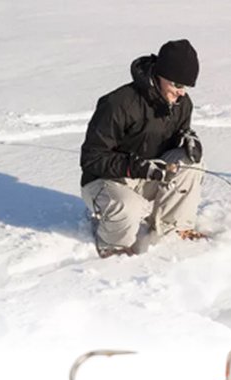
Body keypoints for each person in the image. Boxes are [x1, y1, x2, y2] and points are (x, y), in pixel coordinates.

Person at [80, 39, 206, 258]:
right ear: (159, 75)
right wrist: (135, 167)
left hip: (146, 174)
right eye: (177, 85)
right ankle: (113, 247)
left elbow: (176, 136)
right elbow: (91, 159)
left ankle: (172, 229)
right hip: (105, 180)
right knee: (128, 206)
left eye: (186, 86)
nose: (181, 92)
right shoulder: (119, 103)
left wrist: (187, 139)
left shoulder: (182, 104)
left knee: (191, 164)